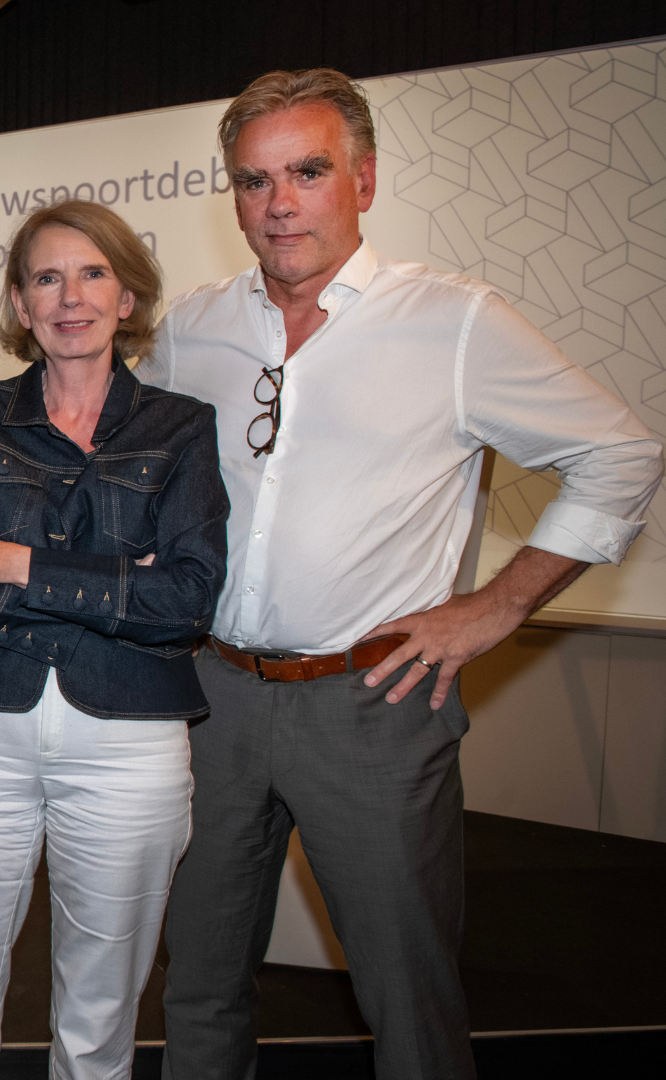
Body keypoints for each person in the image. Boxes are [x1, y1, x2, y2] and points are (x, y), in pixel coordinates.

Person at [140, 69, 663, 1080]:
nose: (279, 203)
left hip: (374, 702)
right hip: (210, 699)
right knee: (198, 982)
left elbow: (621, 454)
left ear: (365, 181)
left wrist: (498, 604)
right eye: (254, 181)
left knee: (407, 995)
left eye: (307, 172)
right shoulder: (192, 328)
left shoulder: (453, 322)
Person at [0, 200, 227, 1080]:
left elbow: (188, 599)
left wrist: (23, 567)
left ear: (128, 297)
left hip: (130, 746)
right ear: (20, 303)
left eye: (93, 274)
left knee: (101, 1009)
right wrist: (116, 586)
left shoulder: (181, 426)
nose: (70, 297)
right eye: (47, 277)